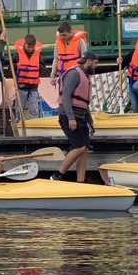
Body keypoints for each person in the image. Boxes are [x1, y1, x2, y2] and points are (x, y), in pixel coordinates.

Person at [50, 51, 98, 183]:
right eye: (95, 63)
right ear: (88, 61)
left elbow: (84, 103)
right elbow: (66, 97)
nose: (96, 66)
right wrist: (71, 118)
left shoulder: (86, 76)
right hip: (69, 116)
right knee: (79, 147)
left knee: (85, 150)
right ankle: (58, 174)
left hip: (81, 116)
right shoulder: (74, 74)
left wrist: (90, 122)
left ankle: (80, 181)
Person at [13, 34, 46, 121]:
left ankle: (34, 125)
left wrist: (37, 67)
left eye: (32, 47)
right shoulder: (17, 55)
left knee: (34, 109)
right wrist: (17, 65)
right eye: (28, 47)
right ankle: (18, 124)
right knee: (19, 109)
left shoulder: (38, 55)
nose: (31, 49)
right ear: (24, 44)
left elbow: (43, 67)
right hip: (21, 86)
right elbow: (10, 68)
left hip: (34, 86)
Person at [50, 21, 88, 85]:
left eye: (64, 35)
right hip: (62, 76)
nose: (62, 37)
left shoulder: (80, 41)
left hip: (76, 75)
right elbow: (56, 60)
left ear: (70, 32)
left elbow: (85, 60)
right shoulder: (58, 42)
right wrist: (52, 75)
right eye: (60, 35)